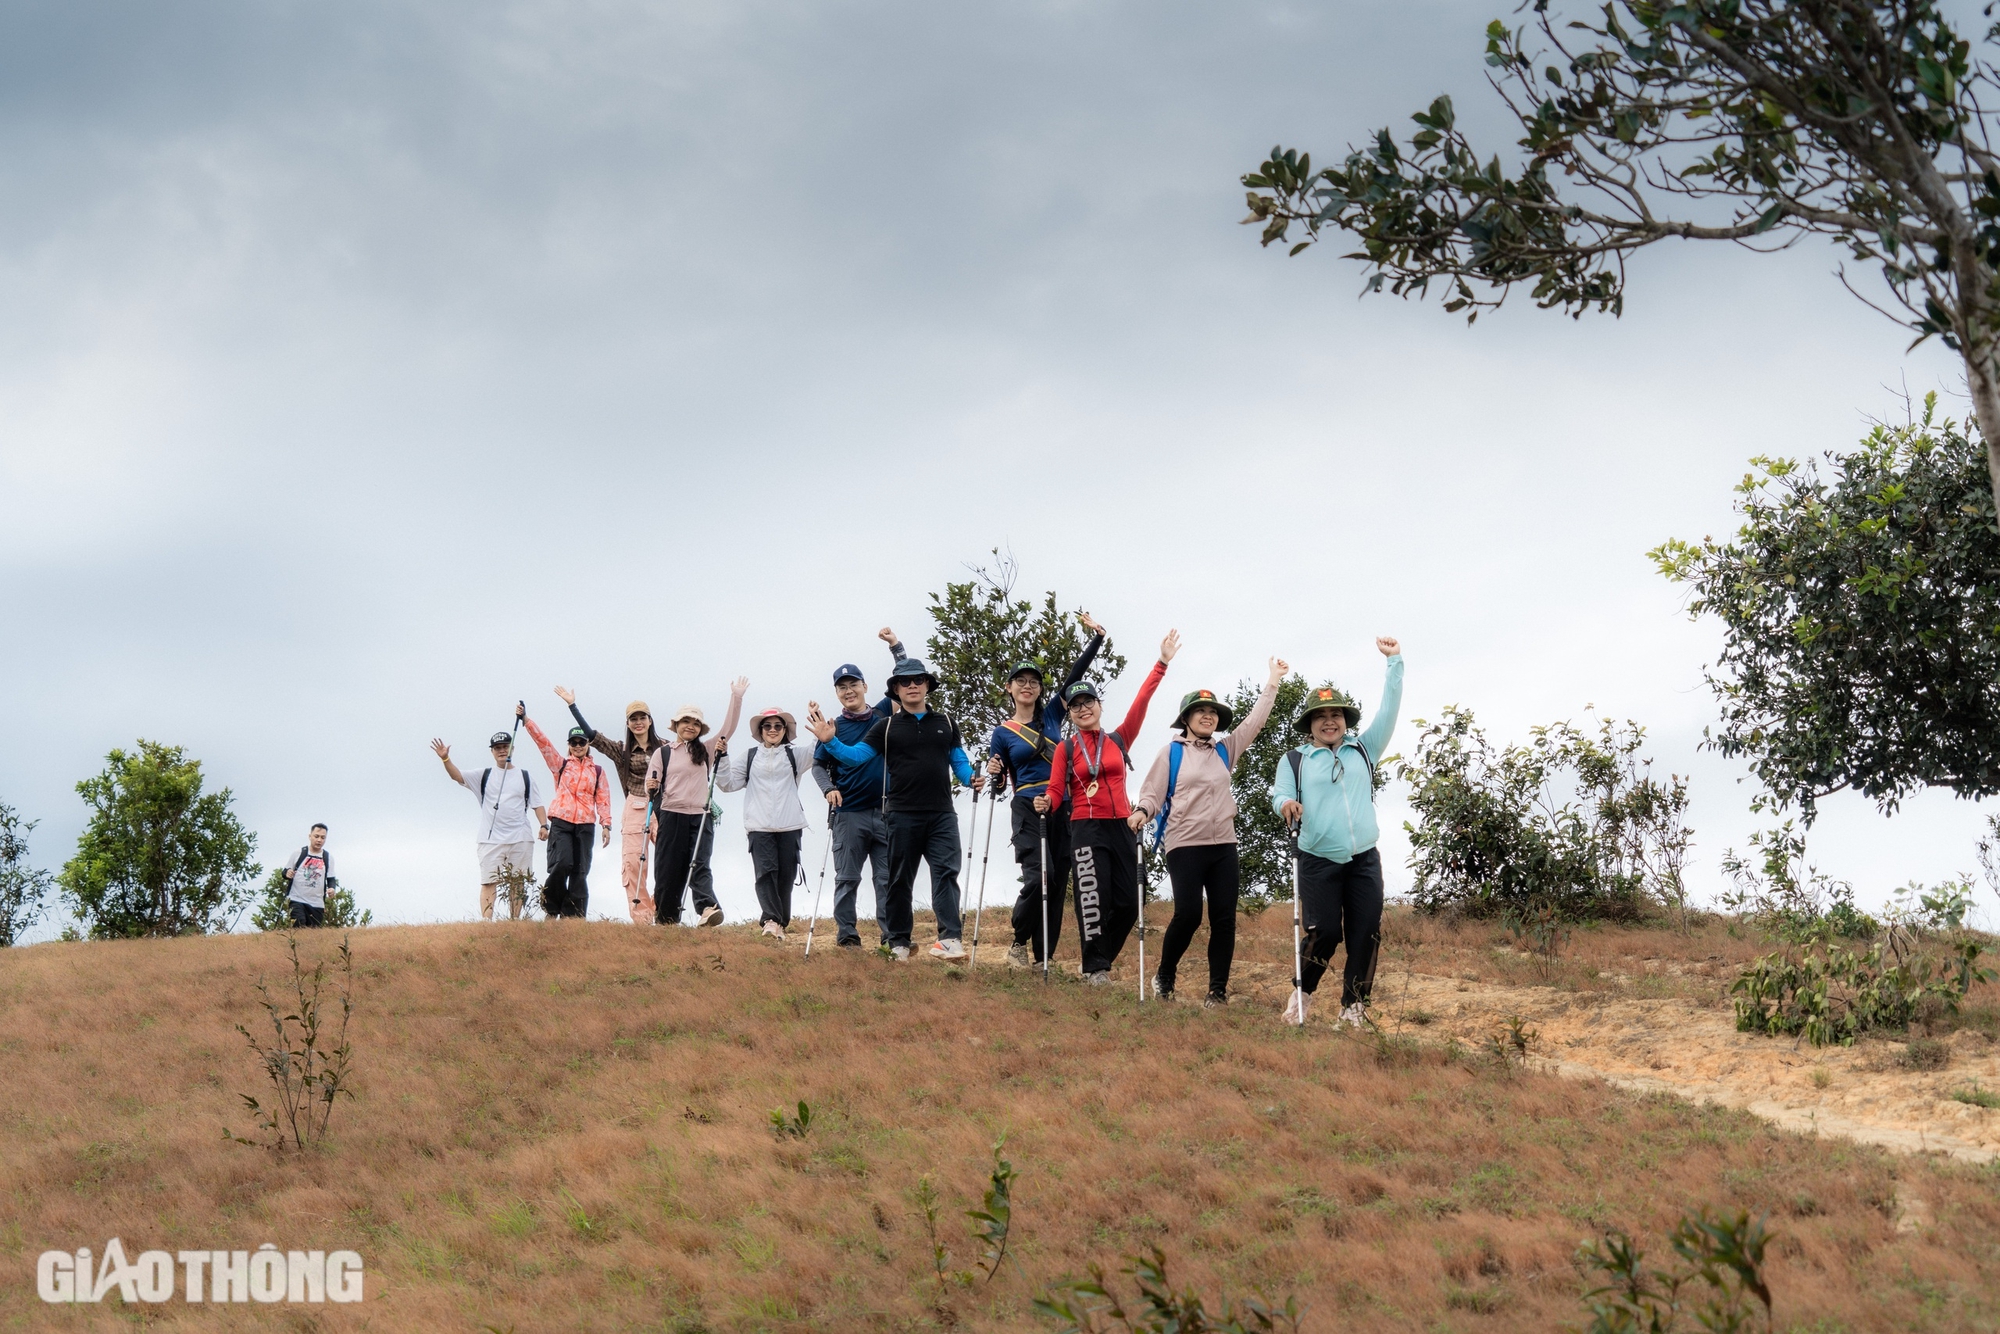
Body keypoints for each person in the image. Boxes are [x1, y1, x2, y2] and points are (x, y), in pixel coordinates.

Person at [1129, 659, 1287, 1005]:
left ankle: (1217, 991)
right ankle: (1164, 976)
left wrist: (1272, 681)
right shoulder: (1171, 753)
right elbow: (1153, 793)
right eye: (1199, 711)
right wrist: (1142, 811)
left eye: (1212, 712)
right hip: (1184, 844)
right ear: (1185, 718)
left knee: (1224, 919)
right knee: (1188, 914)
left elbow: (1253, 724)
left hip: (1224, 846)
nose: (1207, 716)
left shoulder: (1223, 750)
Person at [806, 657, 985, 961]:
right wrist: (832, 742)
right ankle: (899, 942)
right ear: (896, 690)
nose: (912, 685)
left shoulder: (946, 723)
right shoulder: (885, 727)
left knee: (945, 873)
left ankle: (950, 939)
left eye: (918, 680)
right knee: (899, 879)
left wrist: (972, 780)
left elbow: (959, 763)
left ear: (927, 685)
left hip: (942, 812)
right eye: (905, 681)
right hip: (901, 813)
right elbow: (856, 757)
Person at [1272, 638, 1405, 1027]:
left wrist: (1394, 661)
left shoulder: (1364, 749)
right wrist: (1286, 805)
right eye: (1320, 716)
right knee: (1325, 931)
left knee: (1366, 932)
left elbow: (1390, 709)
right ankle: (1303, 995)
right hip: (1317, 860)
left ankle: (1353, 1008)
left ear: (1346, 721)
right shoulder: (1295, 760)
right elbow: (1280, 793)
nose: (1329, 721)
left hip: (1363, 857)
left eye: (1336, 715)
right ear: (1310, 724)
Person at [1034, 631, 1179, 982]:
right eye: (1076, 705)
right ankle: (1095, 968)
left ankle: (1100, 959)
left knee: (1130, 902)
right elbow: (1055, 790)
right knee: (1092, 898)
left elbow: (1141, 702)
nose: (1084, 708)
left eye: (1089, 702)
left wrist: (1162, 663)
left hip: (1122, 825)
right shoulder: (1066, 749)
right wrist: (1047, 802)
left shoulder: (1118, 739)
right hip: (1085, 826)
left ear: (1099, 706)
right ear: (1069, 712)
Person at [984, 611, 1105, 969]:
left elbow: (1075, 677)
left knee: (1060, 878)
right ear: (1009, 687)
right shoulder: (1003, 732)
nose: (1027, 686)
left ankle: (1044, 958)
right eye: (1019, 680)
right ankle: (1019, 941)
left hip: (1062, 805)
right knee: (1042, 876)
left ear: (1039, 688)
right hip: (1026, 805)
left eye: (1033, 681)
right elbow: (1000, 779)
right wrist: (995, 771)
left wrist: (1096, 639)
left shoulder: (1052, 715)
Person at [809, 629, 909, 947]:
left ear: (865, 686)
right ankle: (847, 935)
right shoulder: (832, 728)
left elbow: (904, 678)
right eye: (842, 687)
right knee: (848, 878)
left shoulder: (883, 713)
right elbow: (818, 765)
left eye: (853, 684)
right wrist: (828, 790)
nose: (849, 690)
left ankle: (891, 936)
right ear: (837, 693)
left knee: (886, 879)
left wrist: (896, 646)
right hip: (848, 812)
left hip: (886, 811)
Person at [556, 688, 664, 924]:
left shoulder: (665, 748)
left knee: (672, 860)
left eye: (642, 717)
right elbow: (593, 736)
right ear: (627, 723)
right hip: (635, 805)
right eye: (633, 719)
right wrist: (573, 706)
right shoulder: (622, 750)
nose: (638, 722)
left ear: (650, 720)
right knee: (634, 864)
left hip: (664, 807)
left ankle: (662, 907)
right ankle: (642, 917)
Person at [644, 680, 747, 926]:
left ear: (700, 728)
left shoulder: (709, 749)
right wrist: (651, 786)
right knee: (668, 870)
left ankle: (708, 909)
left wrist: (736, 696)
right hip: (671, 815)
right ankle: (666, 920)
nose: (690, 726)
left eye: (695, 723)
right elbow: (652, 780)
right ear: (676, 725)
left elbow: (728, 728)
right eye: (686, 722)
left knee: (699, 864)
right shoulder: (663, 752)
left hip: (701, 816)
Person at [719, 708, 821, 939]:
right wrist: (723, 757)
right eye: (768, 726)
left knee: (786, 876)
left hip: (791, 824)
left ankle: (780, 924)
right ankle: (771, 920)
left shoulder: (795, 754)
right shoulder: (750, 756)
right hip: (759, 826)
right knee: (766, 873)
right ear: (760, 731)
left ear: (785, 730)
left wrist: (817, 723)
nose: (773, 730)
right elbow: (727, 784)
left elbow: (818, 750)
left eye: (778, 726)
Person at [431, 728, 549, 920]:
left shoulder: (525, 776)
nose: (502, 751)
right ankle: (486, 922)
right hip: (490, 840)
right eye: (497, 748)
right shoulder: (483, 775)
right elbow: (457, 776)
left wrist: (544, 826)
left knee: (517, 882)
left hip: (521, 838)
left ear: (512, 748)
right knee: (488, 882)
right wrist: (445, 759)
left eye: (505, 747)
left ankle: (514, 921)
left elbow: (538, 804)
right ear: (492, 751)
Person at [520, 705, 613, 919]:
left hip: (586, 824)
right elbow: (543, 743)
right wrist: (526, 720)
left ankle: (574, 916)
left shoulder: (597, 771)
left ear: (588, 744)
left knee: (580, 871)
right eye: (574, 742)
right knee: (562, 864)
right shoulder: (560, 765)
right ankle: (552, 909)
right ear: (569, 745)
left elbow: (603, 799)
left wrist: (606, 825)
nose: (578, 746)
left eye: (582, 742)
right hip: (561, 821)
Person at [281, 823, 335, 928]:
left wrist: (332, 888)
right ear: (310, 836)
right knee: (299, 926)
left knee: (312, 936)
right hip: (297, 899)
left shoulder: (328, 857)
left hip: (317, 903)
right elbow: (285, 872)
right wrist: (288, 873)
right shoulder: (299, 853)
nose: (319, 840)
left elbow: (331, 878)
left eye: (323, 837)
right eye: (316, 836)